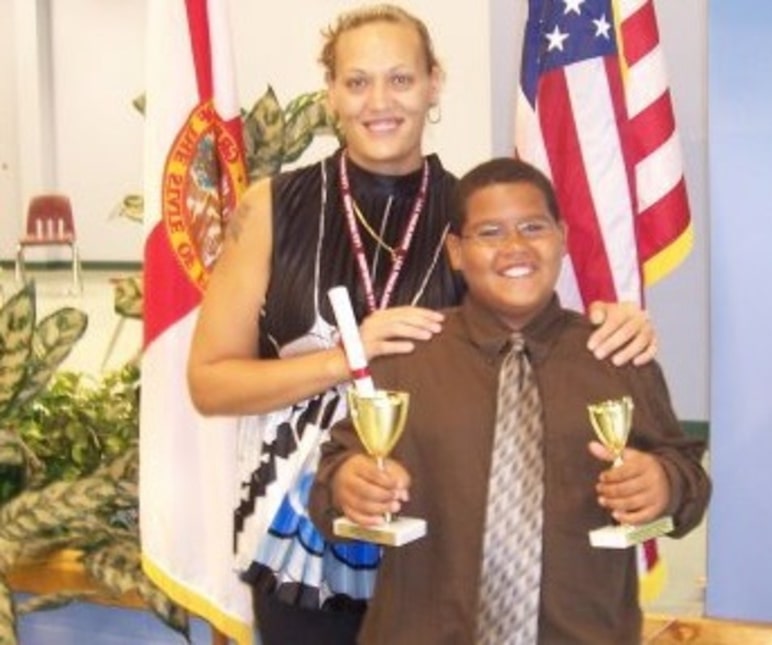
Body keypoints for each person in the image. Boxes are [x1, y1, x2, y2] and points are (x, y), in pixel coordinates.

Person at [187, 5, 658, 644]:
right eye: (357, 82)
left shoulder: (476, 217)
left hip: (441, 540)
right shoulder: (270, 208)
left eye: (401, 79)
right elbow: (210, 383)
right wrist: (348, 358)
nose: (379, 101)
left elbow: (541, 332)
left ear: (435, 83)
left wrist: (615, 322)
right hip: (303, 539)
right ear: (331, 93)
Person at [309, 157, 711, 645]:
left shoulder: (616, 354)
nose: (515, 248)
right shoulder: (406, 358)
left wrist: (663, 483)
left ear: (562, 237)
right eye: (490, 233)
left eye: (533, 227)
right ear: (456, 251)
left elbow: (689, 479)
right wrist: (349, 485)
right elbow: (329, 487)